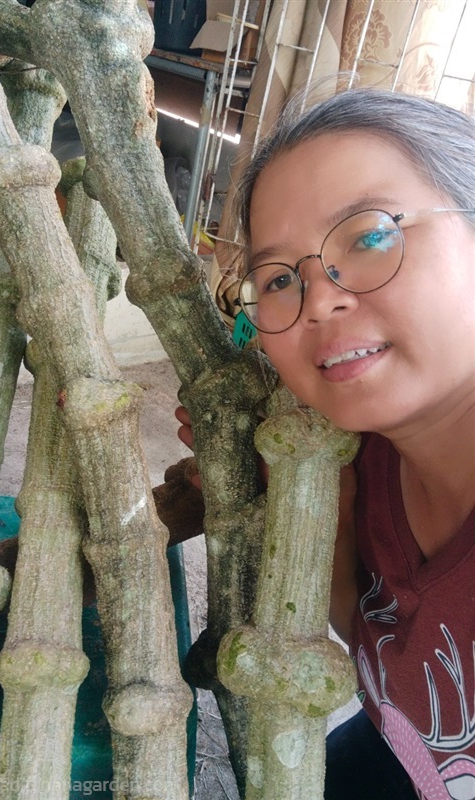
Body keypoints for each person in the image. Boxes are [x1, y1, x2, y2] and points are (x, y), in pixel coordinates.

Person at [176, 87, 475, 800]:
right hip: (404, 750)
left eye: (369, 237)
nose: (320, 302)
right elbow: (373, 638)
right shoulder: (364, 457)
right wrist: (321, 515)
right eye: (280, 278)